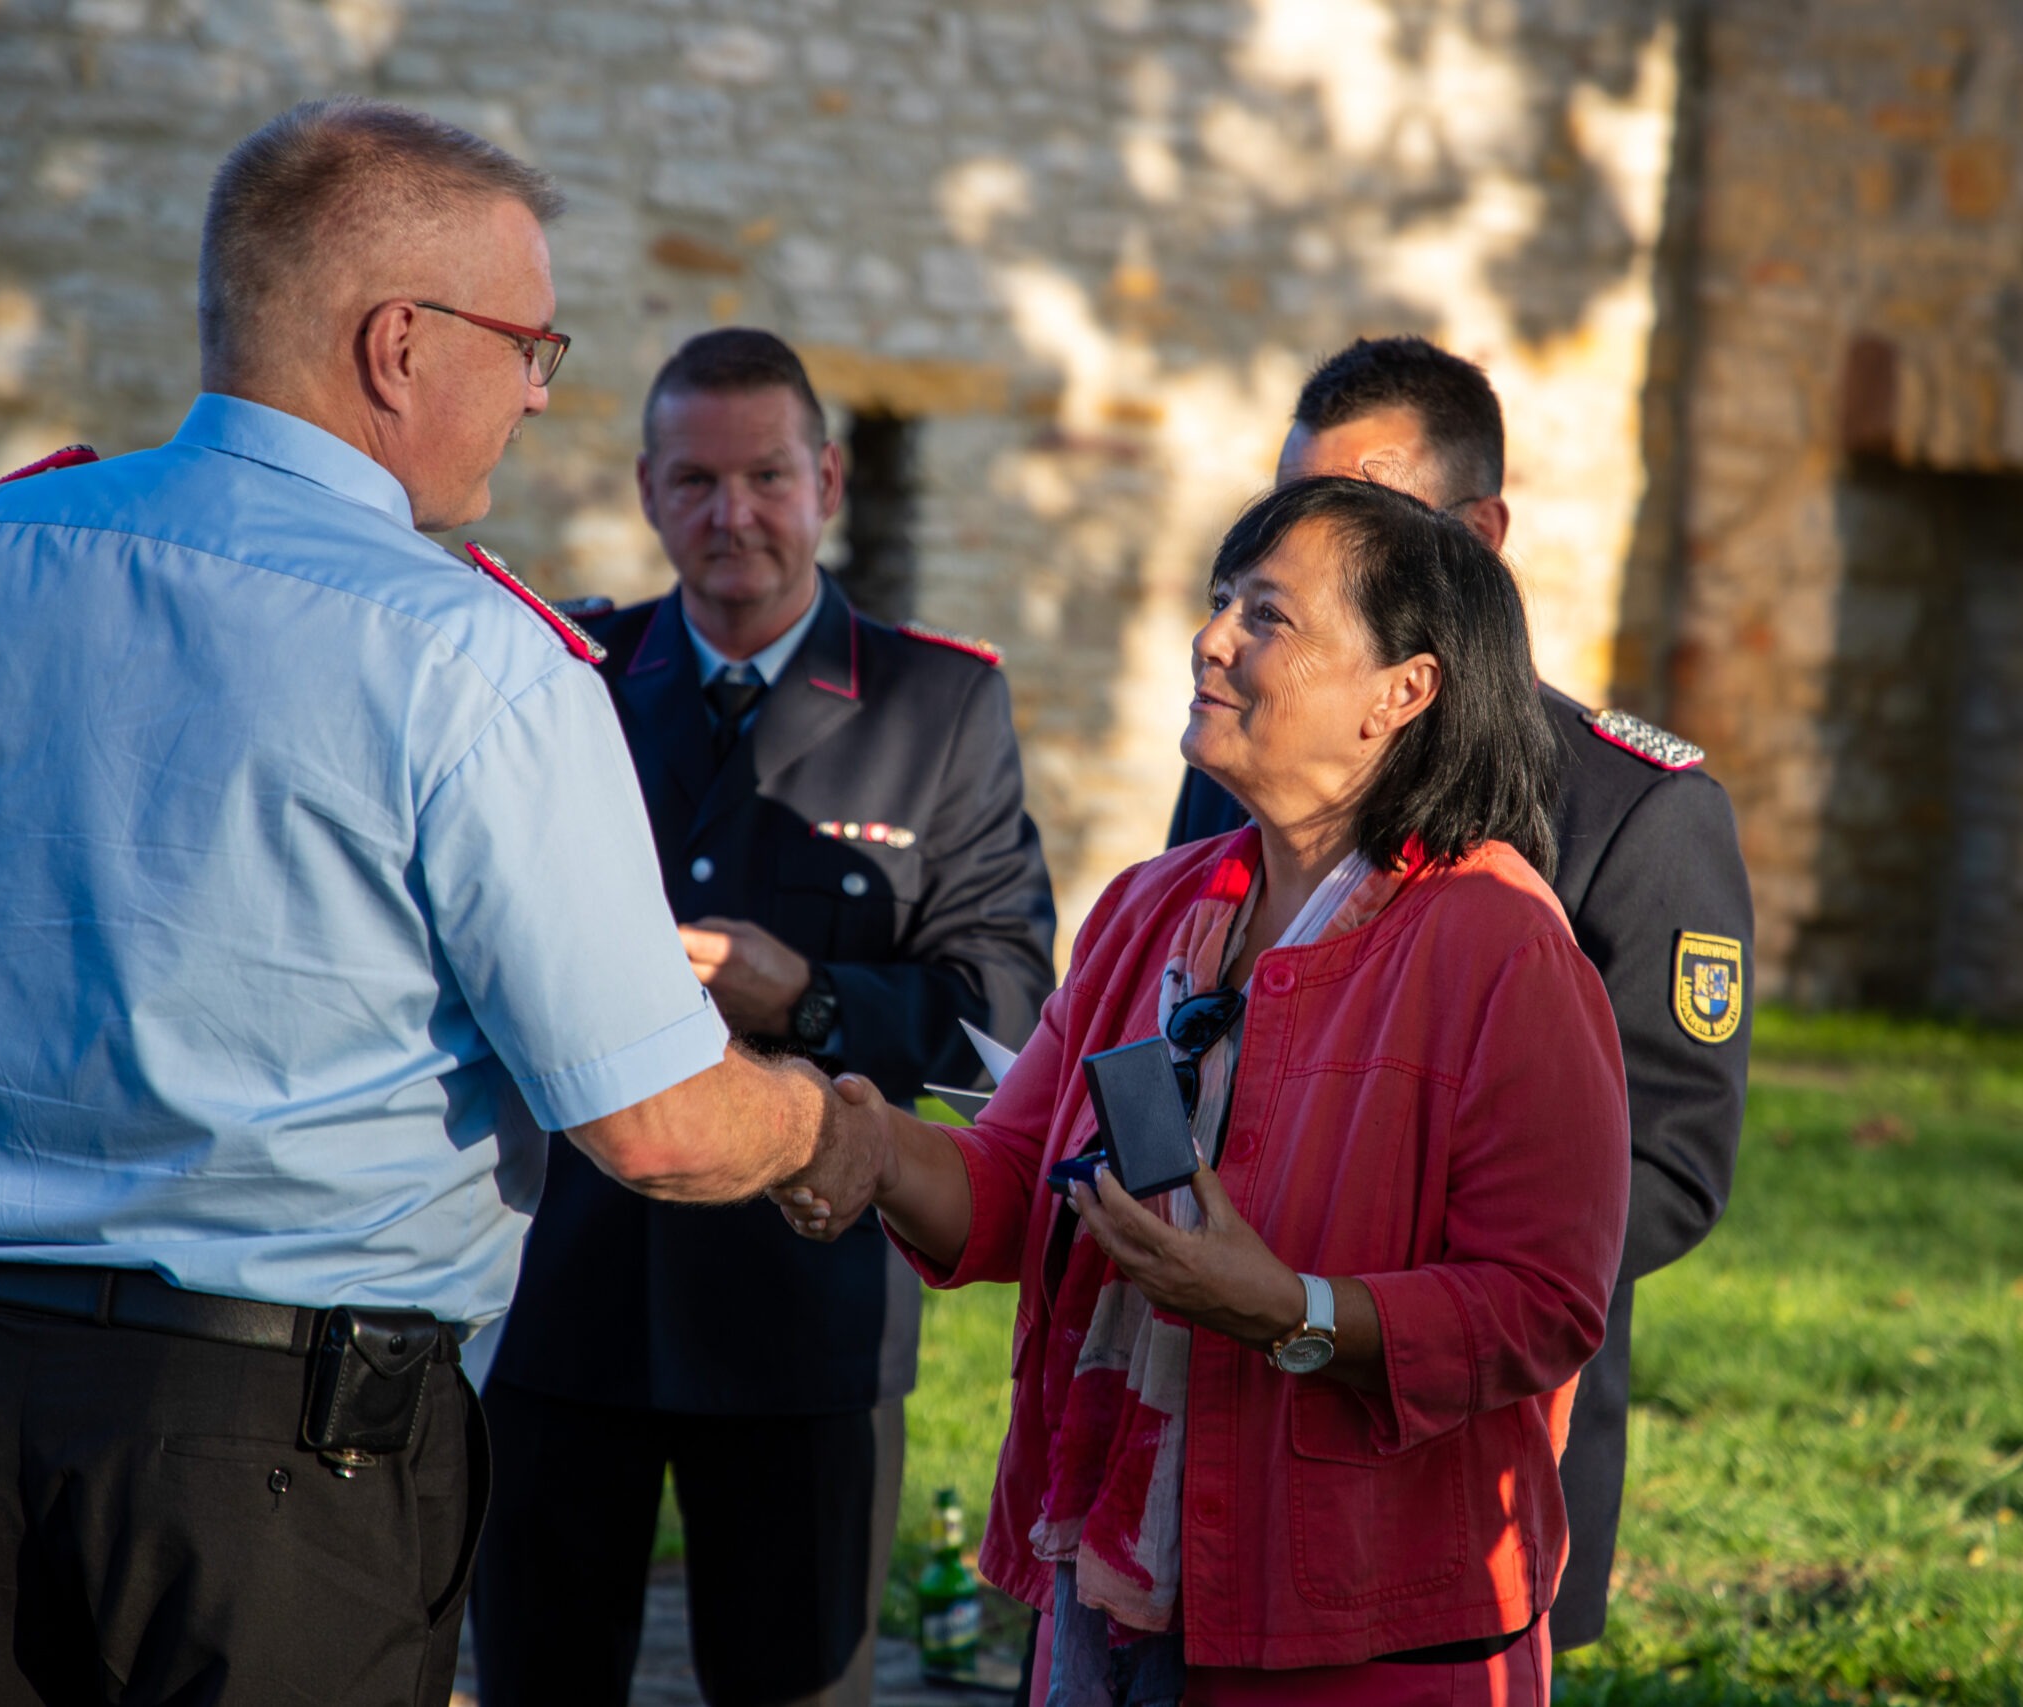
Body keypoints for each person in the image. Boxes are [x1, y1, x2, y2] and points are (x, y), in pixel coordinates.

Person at [0, 98, 849, 1706]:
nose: (534, 394)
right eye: (529, 344)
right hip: (277, 1461)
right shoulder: (473, 655)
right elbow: (649, 1120)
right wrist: (822, 1125)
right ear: (397, 346)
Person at [780, 476, 1634, 1705]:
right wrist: (848, 1142)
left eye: (1268, 616)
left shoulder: (1499, 944)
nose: (1211, 636)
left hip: (1356, 1634)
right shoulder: (1153, 907)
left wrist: (1289, 1310)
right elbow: (1017, 1189)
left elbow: (1540, 1307)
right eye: (1221, 598)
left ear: (1404, 690)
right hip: (1116, 1600)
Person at [470, 330, 1057, 1707]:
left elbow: (1005, 1009)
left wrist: (812, 995)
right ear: (647, 488)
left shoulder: (939, 703)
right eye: (696, 479)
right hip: (566, 1293)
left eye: (767, 476)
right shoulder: (568, 676)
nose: (733, 514)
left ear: (830, 479)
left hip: (809, 1304)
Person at [1165, 337, 1754, 1653]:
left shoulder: (1633, 806)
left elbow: (1666, 1158)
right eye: (1292, 510)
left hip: (1464, 1422)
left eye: (1371, 509)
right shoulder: (1242, 757)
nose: (1321, 541)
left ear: (1478, 535)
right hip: (1216, 1392)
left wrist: (1338, 1287)